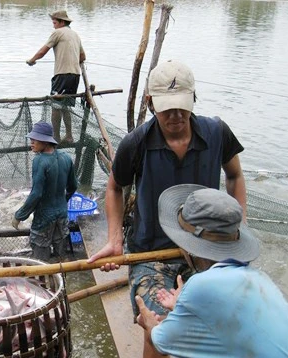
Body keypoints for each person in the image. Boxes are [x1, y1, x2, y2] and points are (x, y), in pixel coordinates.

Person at [86, 60, 247, 358]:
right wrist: (114, 240)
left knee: (224, 320)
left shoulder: (216, 133)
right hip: (152, 252)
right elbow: (114, 187)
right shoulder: (136, 143)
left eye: (182, 106)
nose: (175, 115)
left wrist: (240, 227)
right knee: (158, 325)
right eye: (166, 107)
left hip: (206, 251)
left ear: (194, 98)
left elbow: (235, 176)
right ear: (149, 103)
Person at [136, 184, 288, 357]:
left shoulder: (201, 284)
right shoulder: (261, 278)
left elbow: (160, 341)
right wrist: (184, 307)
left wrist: (149, 324)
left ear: (188, 246)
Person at [12, 122, 77, 261]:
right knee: (61, 257)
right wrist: (61, 202)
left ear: (45, 142)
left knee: (39, 261)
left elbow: (36, 194)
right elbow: (73, 187)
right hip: (62, 216)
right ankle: (62, 278)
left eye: (34, 139)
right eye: (31, 139)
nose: (31, 143)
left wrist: (19, 216)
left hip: (44, 219)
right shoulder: (66, 158)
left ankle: (42, 280)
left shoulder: (40, 161)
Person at [26, 10, 86, 144]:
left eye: (54, 23)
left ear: (62, 22)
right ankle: (69, 136)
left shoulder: (57, 33)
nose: (53, 26)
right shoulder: (75, 35)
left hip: (62, 75)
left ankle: (56, 138)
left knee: (55, 106)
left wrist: (32, 60)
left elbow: (43, 50)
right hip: (75, 76)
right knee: (65, 106)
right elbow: (83, 57)